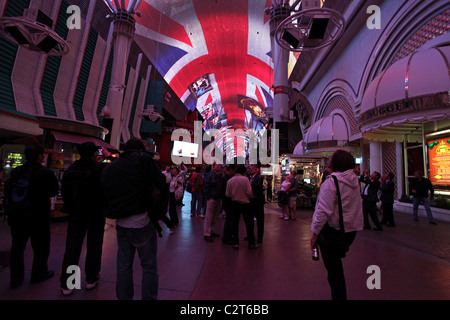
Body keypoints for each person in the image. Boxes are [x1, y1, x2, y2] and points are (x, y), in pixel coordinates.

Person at [101, 138, 166, 300]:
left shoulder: (113, 166)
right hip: (142, 219)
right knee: (149, 265)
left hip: (121, 222)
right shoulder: (144, 161)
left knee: (123, 265)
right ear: (140, 150)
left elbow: (104, 187)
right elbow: (161, 182)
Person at [310, 150, 363, 300]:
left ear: (337, 162)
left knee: (334, 272)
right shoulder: (354, 180)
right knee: (336, 267)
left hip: (333, 232)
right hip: (350, 230)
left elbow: (322, 211)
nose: (329, 159)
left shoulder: (331, 182)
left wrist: (315, 233)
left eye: (332, 157)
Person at [4, 144, 59, 289]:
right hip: (38, 216)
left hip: (17, 216)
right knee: (40, 246)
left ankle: (16, 279)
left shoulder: (17, 171)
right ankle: (38, 274)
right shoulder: (45, 173)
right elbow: (53, 191)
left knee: (17, 247)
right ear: (40, 156)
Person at [59, 142, 110, 296]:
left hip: (76, 213)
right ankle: (90, 279)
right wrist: (109, 156)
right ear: (95, 154)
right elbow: (116, 173)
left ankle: (68, 284)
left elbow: (64, 190)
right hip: (95, 213)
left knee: (72, 248)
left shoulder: (71, 169)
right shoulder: (100, 169)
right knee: (94, 246)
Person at [226, 165, 257, 250]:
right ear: (244, 172)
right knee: (249, 223)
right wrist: (251, 197)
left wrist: (234, 195)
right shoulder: (245, 179)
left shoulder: (230, 180)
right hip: (245, 203)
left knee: (235, 223)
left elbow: (227, 194)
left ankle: (236, 243)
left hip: (234, 203)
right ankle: (251, 243)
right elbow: (249, 192)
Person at [203, 164, 223, 242]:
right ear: (213, 168)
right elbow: (206, 187)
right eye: (216, 166)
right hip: (212, 198)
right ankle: (207, 233)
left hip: (218, 198)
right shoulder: (210, 177)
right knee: (209, 216)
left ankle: (211, 231)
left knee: (215, 216)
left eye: (219, 166)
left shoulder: (220, 177)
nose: (217, 167)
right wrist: (208, 197)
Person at [248, 165, 265, 243]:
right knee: (249, 219)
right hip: (249, 201)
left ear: (255, 170)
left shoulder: (259, 178)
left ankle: (259, 237)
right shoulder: (247, 178)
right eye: (249, 169)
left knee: (260, 220)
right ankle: (250, 235)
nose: (250, 170)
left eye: (252, 169)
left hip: (258, 201)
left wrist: (248, 185)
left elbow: (257, 186)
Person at [221, 164, 236, 245]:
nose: (234, 173)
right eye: (233, 171)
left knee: (230, 219)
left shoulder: (226, 178)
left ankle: (228, 236)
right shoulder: (227, 179)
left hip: (227, 202)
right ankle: (227, 237)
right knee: (229, 220)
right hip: (229, 202)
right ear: (231, 170)